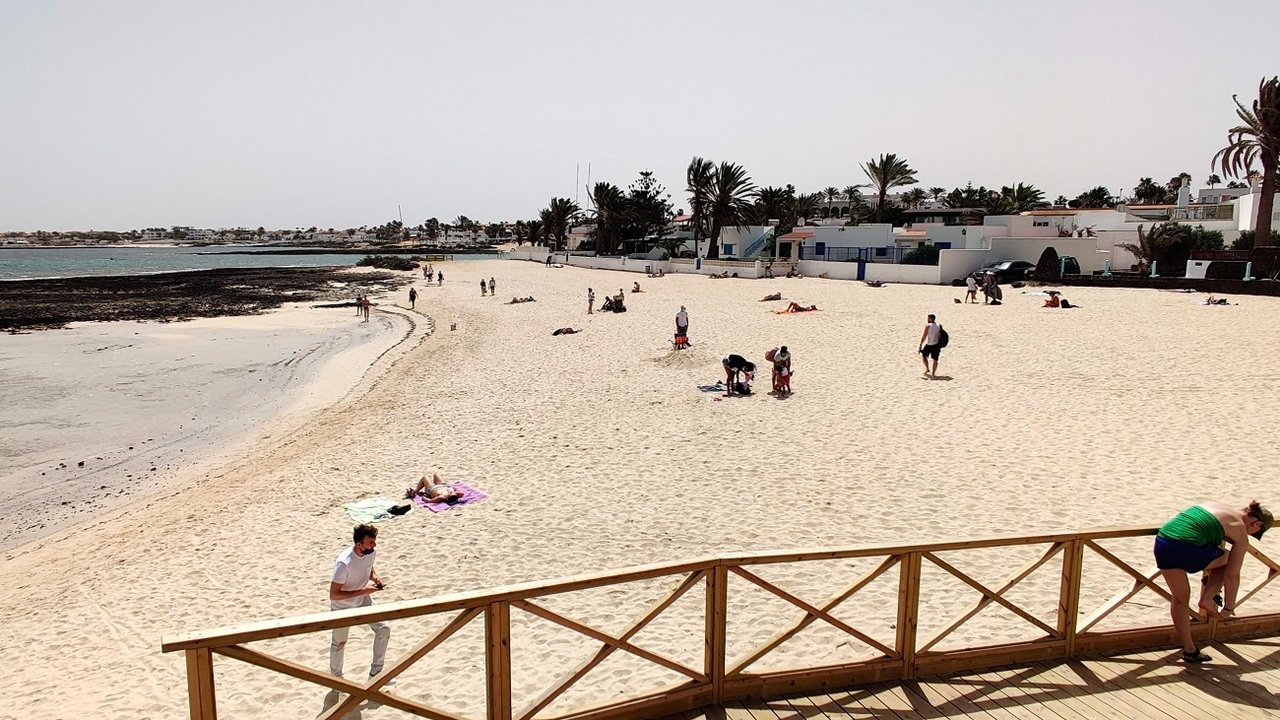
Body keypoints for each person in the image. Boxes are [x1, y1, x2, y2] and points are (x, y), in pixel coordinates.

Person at [1154, 501, 1273, 663]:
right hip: (1186, 547)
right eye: (1255, 532)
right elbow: (1233, 575)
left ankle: (1190, 650)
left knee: (1180, 599)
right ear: (1256, 523)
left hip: (1163, 542)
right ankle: (1207, 598)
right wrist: (1229, 607)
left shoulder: (1219, 506)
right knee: (1228, 559)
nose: (1251, 535)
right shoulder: (1239, 529)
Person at [329, 524, 390, 679]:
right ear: (358, 544)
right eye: (371, 542)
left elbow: (369, 568)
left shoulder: (371, 552)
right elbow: (334, 595)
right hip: (343, 607)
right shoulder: (344, 563)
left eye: (374, 541)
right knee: (339, 643)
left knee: (384, 629)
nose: (375, 545)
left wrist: (375, 578)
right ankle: (336, 679)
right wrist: (364, 591)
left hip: (363, 600)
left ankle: (376, 673)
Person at [918, 313, 942, 377]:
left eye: (928, 318)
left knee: (924, 356)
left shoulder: (928, 325)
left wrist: (921, 343)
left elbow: (924, 335)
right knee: (935, 359)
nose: (927, 319)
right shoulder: (939, 325)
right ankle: (933, 373)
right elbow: (940, 335)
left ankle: (927, 368)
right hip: (936, 344)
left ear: (931, 319)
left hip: (929, 344)